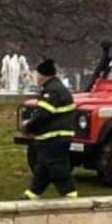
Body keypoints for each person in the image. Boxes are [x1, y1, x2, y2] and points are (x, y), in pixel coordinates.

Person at [21, 59, 78, 199]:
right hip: (55, 137)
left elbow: (43, 115)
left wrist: (28, 126)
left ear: (44, 75)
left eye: (37, 74)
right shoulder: (55, 88)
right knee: (42, 168)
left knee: (57, 166)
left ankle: (70, 195)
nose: (36, 77)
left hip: (54, 137)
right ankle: (32, 194)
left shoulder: (52, 91)